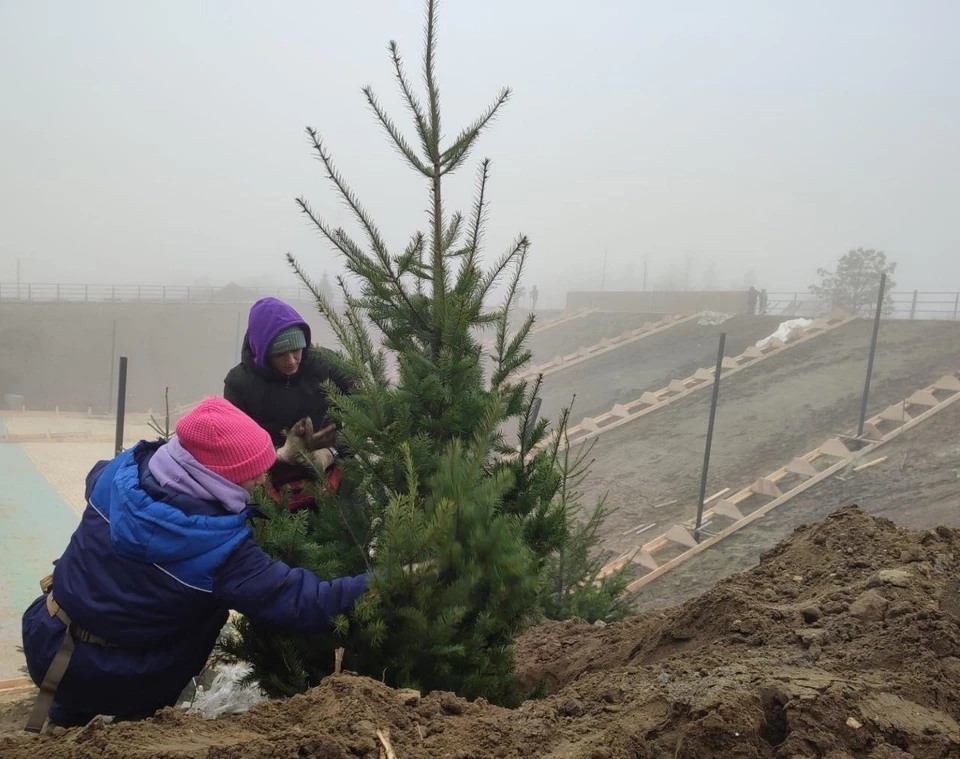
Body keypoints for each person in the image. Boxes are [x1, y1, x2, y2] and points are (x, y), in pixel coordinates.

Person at [20, 397, 368, 733]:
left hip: (47, 641)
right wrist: (389, 579)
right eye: (253, 474)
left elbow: (183, 471)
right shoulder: (222, 553)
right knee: (209, 610)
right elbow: (307, 601)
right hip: (120, 679)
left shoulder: (119, 470)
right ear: (220, 478)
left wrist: (276, 458)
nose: (262, 480)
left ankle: (63, 718)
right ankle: (138, 724)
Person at [224, 297, 355, 510]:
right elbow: (236, 447)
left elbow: (369, 412)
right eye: (280, 354)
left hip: (334, 480)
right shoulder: (238, 383)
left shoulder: (325, 365)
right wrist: (280, 455)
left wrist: (331, 452)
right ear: (263, 352)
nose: (291, 360)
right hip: (271, 488)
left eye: (296, 350)